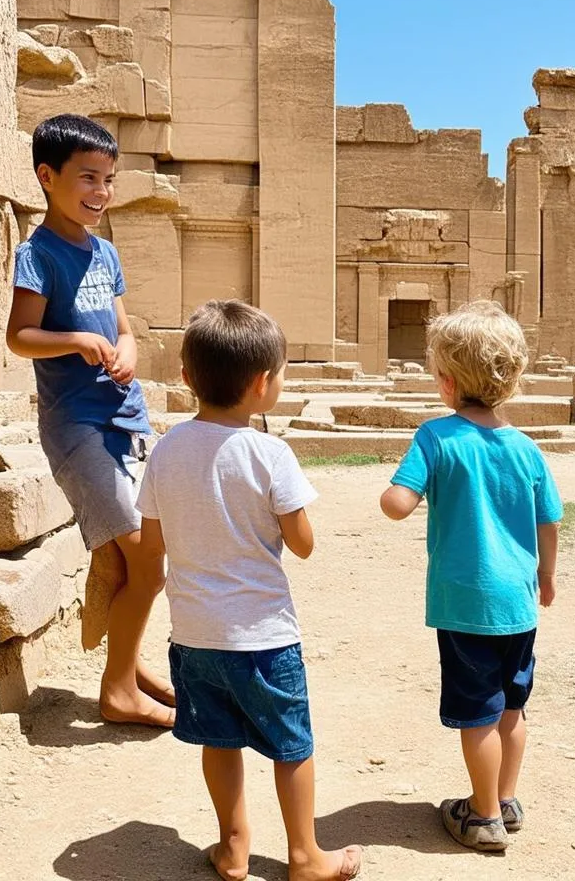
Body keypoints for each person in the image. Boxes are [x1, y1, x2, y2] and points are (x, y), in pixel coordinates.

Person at [135, 299, 362, 881]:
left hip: (194, 635)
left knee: (220, 739)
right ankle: (306, 855)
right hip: (263, 635)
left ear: (187, 378)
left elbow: (153, 543)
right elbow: (303, 542)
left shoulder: (166, 450)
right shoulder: (271, 453)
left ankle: (232, 846)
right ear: (264, 384)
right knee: (292, 744)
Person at [6, 113, 173, 728]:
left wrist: (126, 351)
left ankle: (129, 669)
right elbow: (20, 336)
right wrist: (74, 338)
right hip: (78, 428)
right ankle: (118, 691)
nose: (101, 192)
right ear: (47, 178)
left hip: (127, 422)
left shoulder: (105, 250)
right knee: (146, 560)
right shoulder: (38, 254)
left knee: (137, 558)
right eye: (87, 178)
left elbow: (124, 329)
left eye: (107, 179)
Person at [379, 300, 562, 853]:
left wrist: (395, 494)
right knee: (512, 704)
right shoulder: (527, 448)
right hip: (518, 601)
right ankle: (504, 800)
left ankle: (481, 817)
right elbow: (548, 519)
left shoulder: (436, 438)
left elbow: (398, 502)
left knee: (476, 711)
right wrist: (547, 576)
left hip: (466, 603)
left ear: (448, 381)